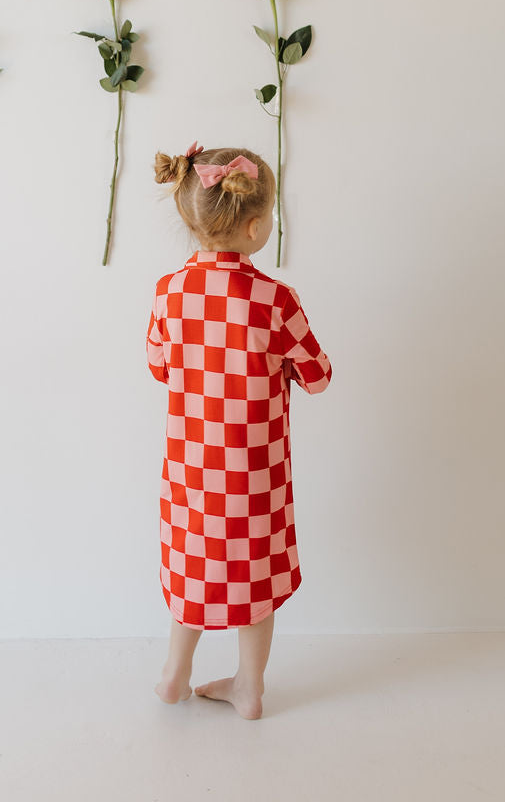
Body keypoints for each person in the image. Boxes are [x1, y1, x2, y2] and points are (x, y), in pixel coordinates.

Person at [147, 144, 332, 719]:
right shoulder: (276, 301)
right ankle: (249, 689)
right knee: (255, 583)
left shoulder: (169, 293)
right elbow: (318, 375)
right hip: (255, 477)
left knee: (194, 571)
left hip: (192, 473)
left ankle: (174, 676)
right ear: (255, 227)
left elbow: (159, 365)